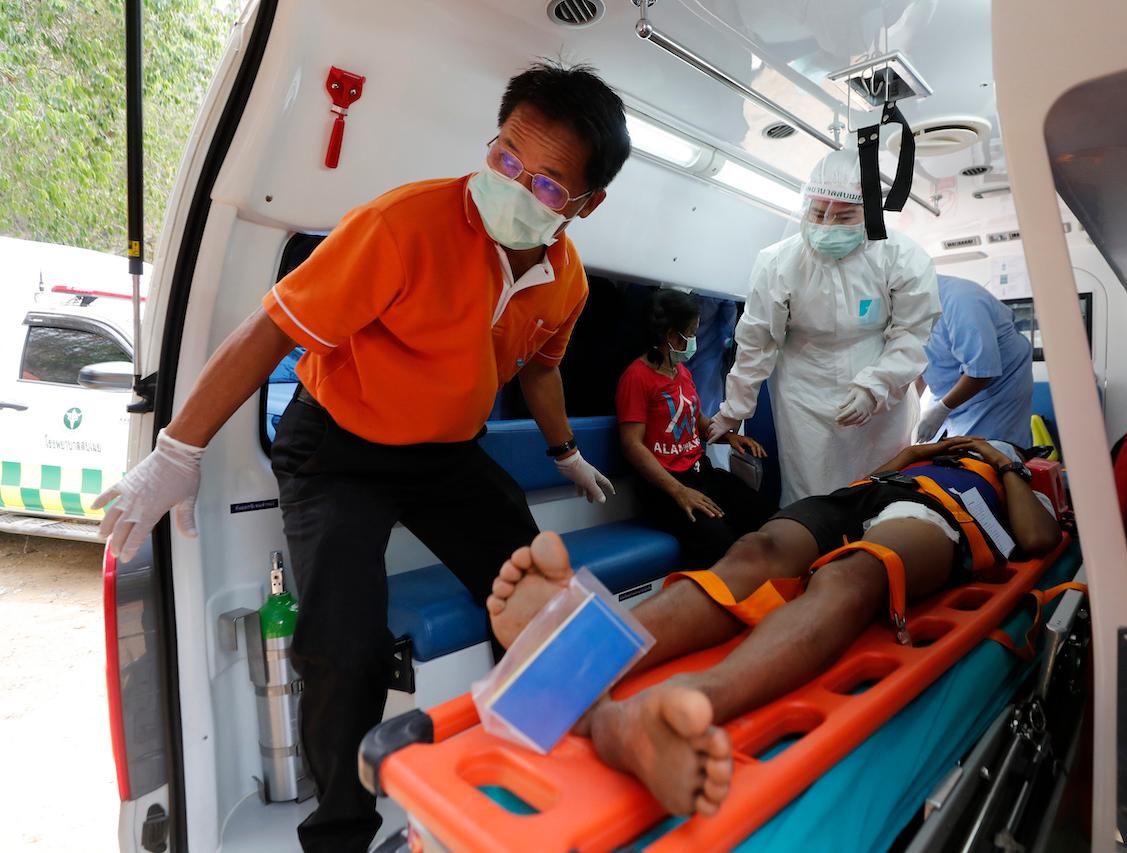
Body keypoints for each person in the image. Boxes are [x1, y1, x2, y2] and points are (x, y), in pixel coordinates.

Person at [92, 62, 631, 852]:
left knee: (542, 589)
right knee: (345, 644)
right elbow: (273, 327)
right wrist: (179, 447)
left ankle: (546, 760)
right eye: (506, 158)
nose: (515, 184)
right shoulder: (402, 225)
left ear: (588, 204)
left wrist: (565, 451)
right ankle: (341, 835)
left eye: (547, 184)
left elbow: (542, 365)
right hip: (337, 447)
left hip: (445, 455)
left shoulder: (566, 281)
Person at [486, 436, 1061, 816]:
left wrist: (999, 457)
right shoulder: (927, 454)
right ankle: (571, 655)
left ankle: (672, 710)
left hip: (935, 516)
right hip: (859, 498)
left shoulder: (1008, 477)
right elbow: (875, 474)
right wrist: (918, 450)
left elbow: (1038, 539)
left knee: (853, 576)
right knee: (753, 552)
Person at [708, 148, 940, 505]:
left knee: (879, 489)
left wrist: (874, 388)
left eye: (844, 216)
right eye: (818, 213)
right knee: (810, 490)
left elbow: (911, 335)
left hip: (880, 386)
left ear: (870, 213)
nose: (828, 225)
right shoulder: (778, 261)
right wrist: (734, 410)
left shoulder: (904, 258)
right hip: (803, 388)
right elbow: (757, 341)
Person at [616, 289, 777, 567]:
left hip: (700, 474)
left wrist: (728, 437)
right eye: (691, 333)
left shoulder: (681, 372)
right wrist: (679, 491)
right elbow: (632, 445)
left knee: (764, 515)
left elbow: (695, 420)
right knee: (720, 542)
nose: (694, 341)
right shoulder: (636, 378)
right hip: (666, 488)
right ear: (671, 336)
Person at [916, 275, 1034, 445]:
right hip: (947, 394)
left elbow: (981, 370)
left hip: (995, 392)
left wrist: (941, 410)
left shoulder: (960, 299)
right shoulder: (910, 309)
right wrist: (908, 409)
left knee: (987, 456)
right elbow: (917, 368)